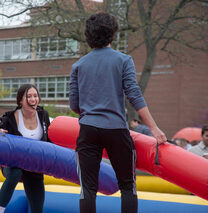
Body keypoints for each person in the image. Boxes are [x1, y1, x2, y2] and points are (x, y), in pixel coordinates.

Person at [69, 12, 167, 213]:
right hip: (115, 128)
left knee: (87, 189)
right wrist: (153, 128)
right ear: (113, 33)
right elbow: (134, 96)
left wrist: (91, 110)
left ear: (88, 36)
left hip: (88, 130)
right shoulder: (123, 60)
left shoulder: (78, 65)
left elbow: (74, 104)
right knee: (127, 186)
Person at [0, 84, 51, 213]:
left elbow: (50, 139)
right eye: (29, 96)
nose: (33, 99)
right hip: (13, 163)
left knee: (37, 209)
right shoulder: (11, 117)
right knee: (16, 172)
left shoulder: (43, 115)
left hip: (34, 166)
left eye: (35, 96)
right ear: (20, 101)